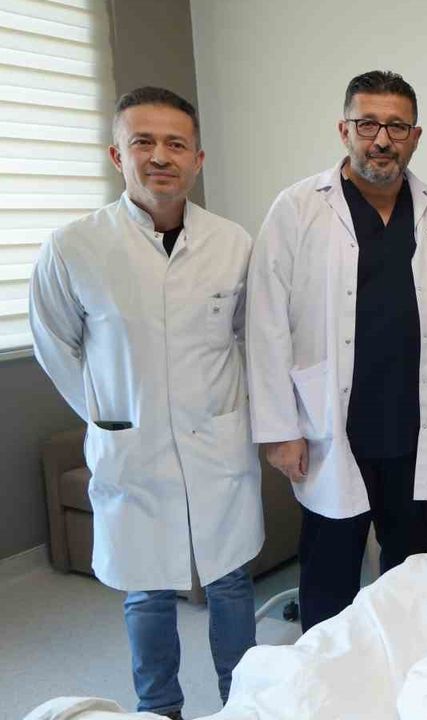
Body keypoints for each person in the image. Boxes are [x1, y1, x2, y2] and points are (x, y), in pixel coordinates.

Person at [29, 87, 261, 719]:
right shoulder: (75, 246)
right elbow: (56, 346)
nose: (161, 156)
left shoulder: (232, 243)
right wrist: (110, 415)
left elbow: (249, 338)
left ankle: (245, 703)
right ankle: (159, 709)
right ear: (117, 154)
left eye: (176, 144)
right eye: (144, 142)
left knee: (231, 581)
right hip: (133, 445)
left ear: (198, 159)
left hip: (216, 442)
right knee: (147, 590)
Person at [247, 70, 427, 630]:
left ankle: (402, 668)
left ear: (415, 136)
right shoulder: (297, 209)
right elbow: (265, 324)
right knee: (329, 572)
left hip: (415, 424)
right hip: (332, 425)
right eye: (367, 124)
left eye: (396, 126)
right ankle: (324, 670)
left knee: (410, 572)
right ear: (344, 130)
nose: (381, 139)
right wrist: (279, 428)